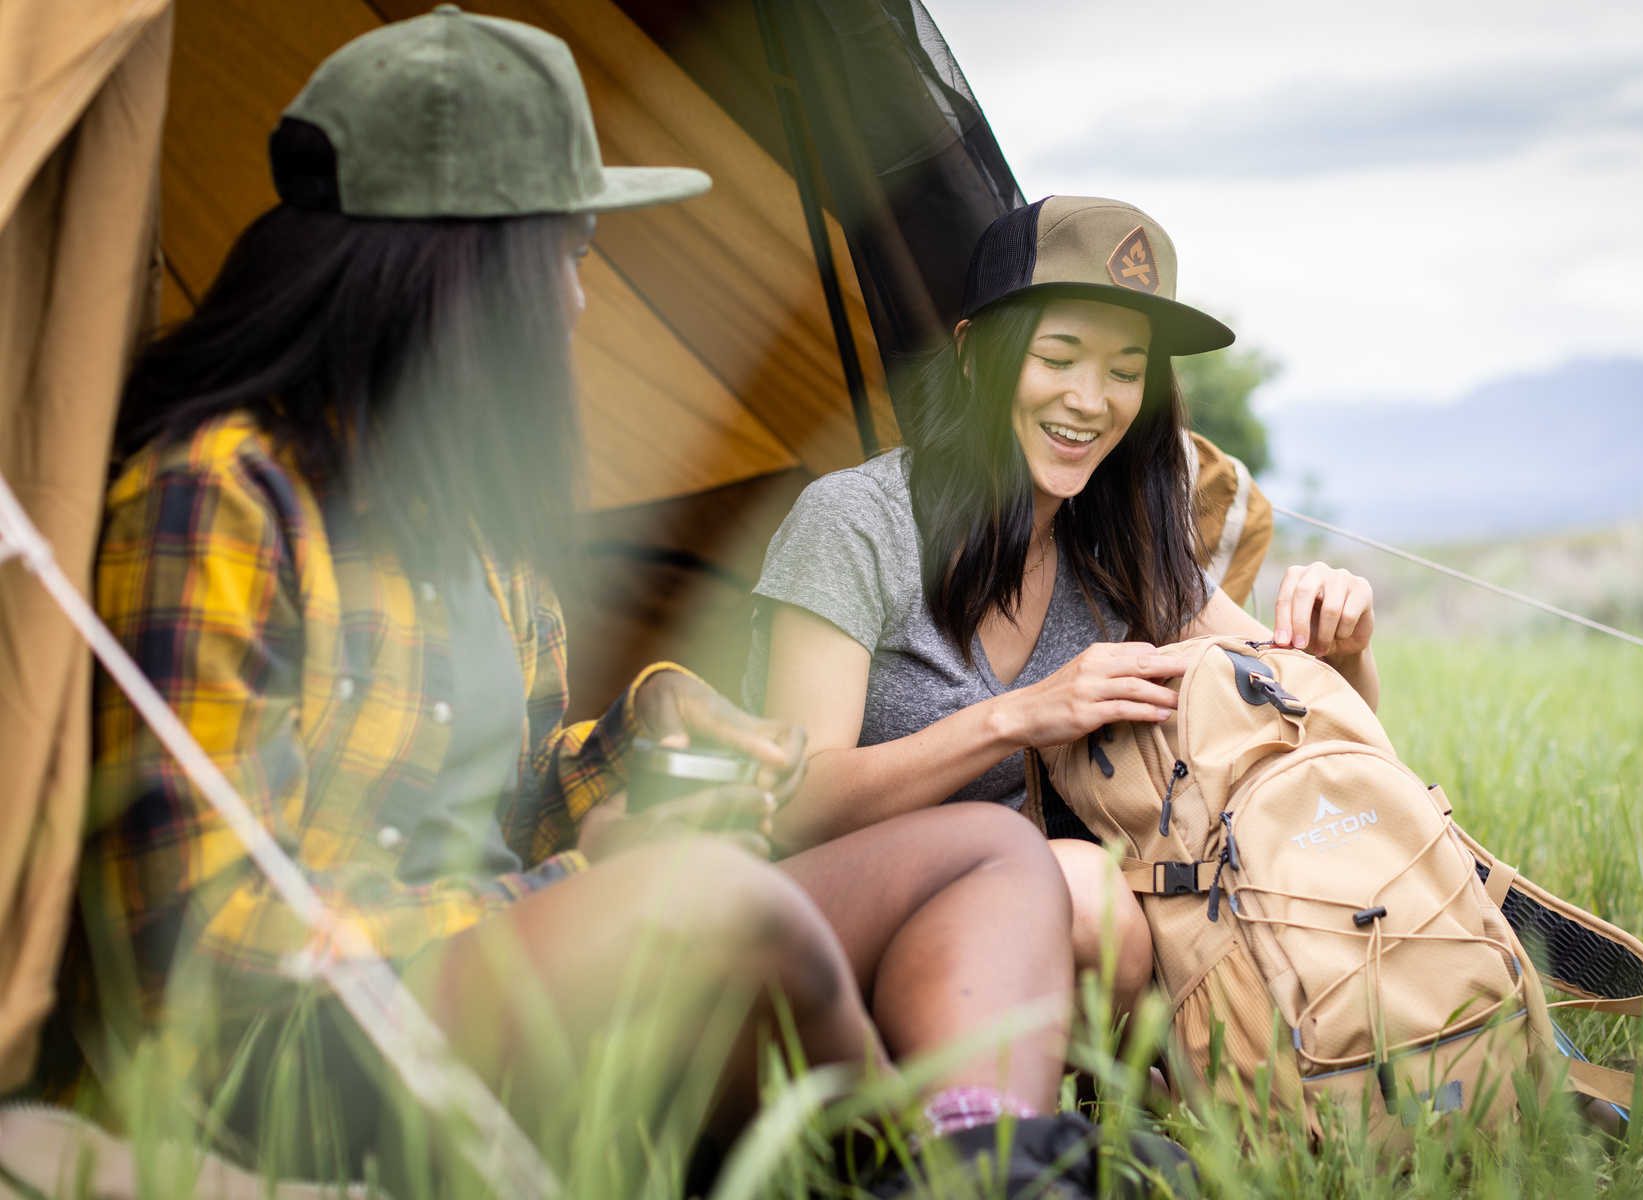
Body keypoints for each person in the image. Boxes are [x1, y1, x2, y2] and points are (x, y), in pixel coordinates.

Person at [63, 13, 1164, 1195]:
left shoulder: (479, 525)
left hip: (517, 972)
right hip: (303, 1048)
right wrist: (585, 892)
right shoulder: (222, 494)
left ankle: (990, 1152)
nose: (580, 301)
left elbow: (516, 802)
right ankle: (923, 1170)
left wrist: (646, 739)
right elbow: (188, 936)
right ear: (465, 262)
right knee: (706, 902)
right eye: (571, 253)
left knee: (987, 853)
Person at [748, 197, 1378, 1011]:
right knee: (1085, 888)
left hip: (1028, 946)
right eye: (1059, 356)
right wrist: (1018, 716)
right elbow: (796, 803)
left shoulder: (1122, 547)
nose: (1091, 400)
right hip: (820, 924)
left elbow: (1330, 752)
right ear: (977, 354)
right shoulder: (855, 524)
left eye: (1124, 371)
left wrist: (1344, 645)